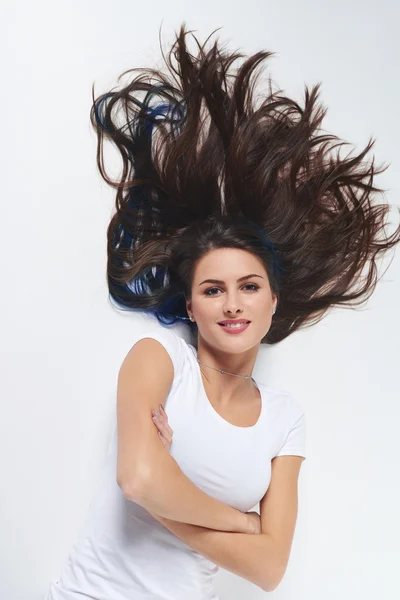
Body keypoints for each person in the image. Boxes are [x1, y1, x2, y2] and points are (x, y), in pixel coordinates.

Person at [44, 24, 400, 600]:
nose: (232, 303)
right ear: (191, 304)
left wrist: (171, 493)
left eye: (249, 286)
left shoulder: (284, 419)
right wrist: (239, 522)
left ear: (274, 299)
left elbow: (269, 569)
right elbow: (136, 478)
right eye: (213, 290)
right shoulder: (159, 360)